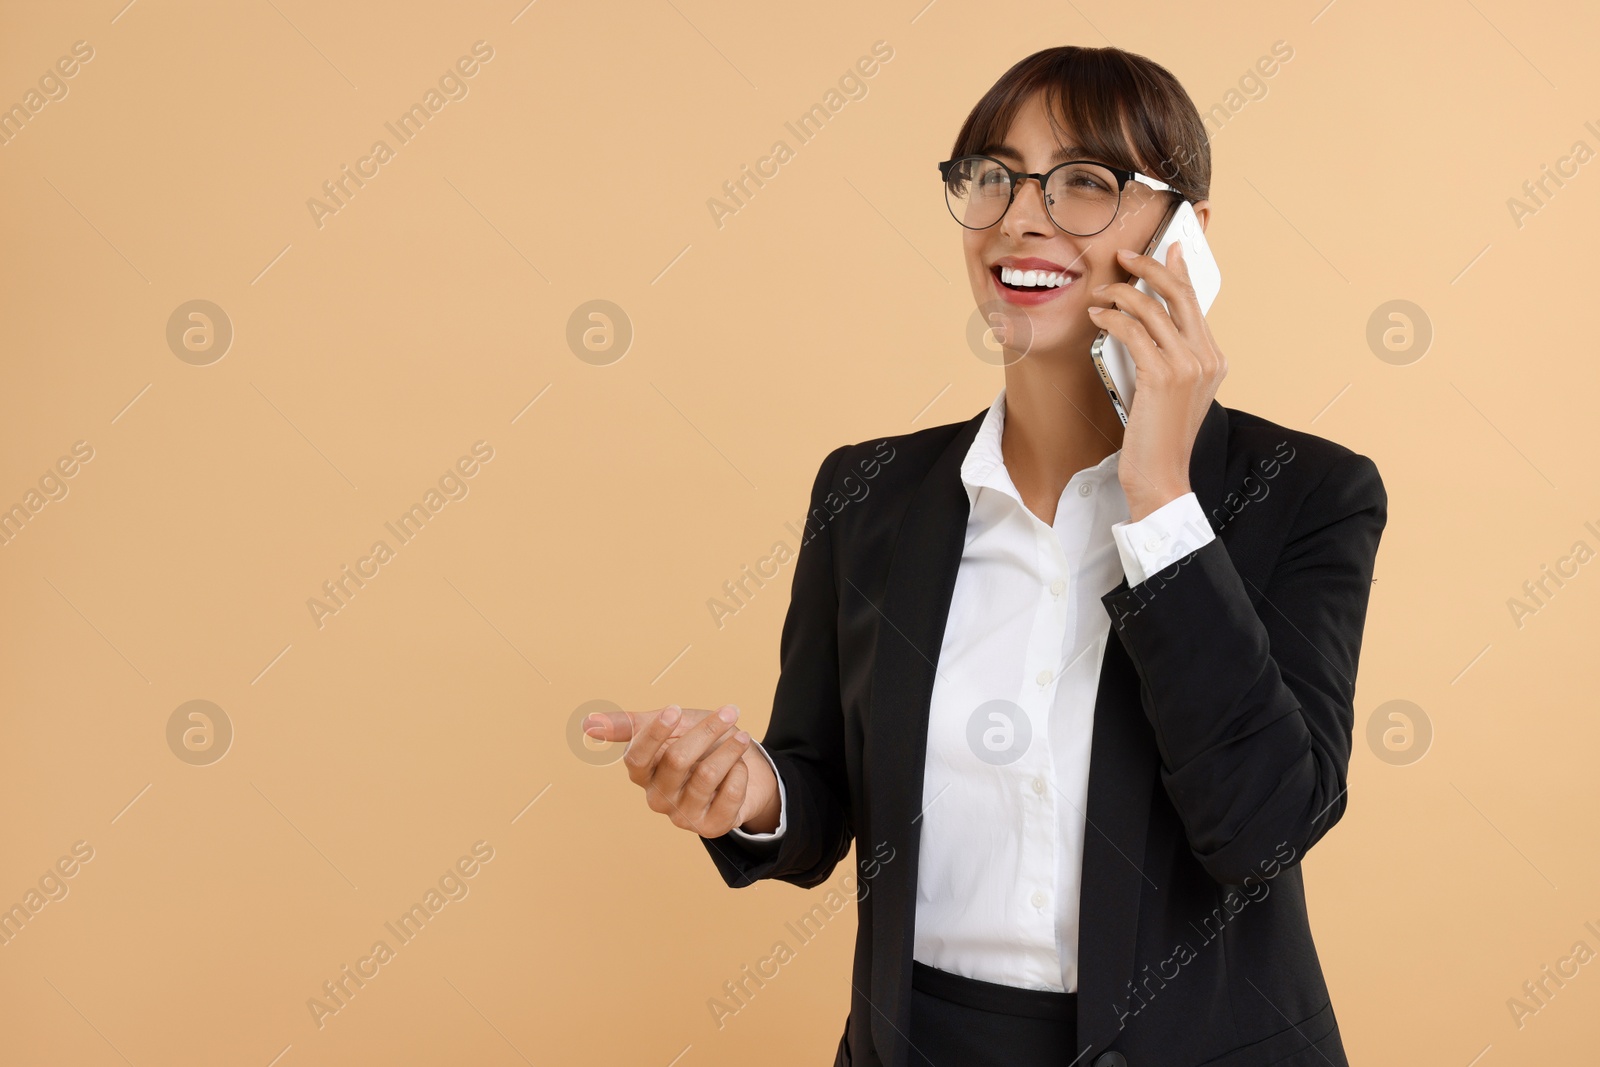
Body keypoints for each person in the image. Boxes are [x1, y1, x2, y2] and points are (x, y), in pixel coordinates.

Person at [585, 44, 1386, 1067]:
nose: (1019, 215)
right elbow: (821, 785)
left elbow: (1262, 827)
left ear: (1185, 237)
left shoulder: (1305, 491)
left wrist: (1159, 497)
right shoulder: (866, 492)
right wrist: (750, 791)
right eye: (991, 176)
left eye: (1086, 182)